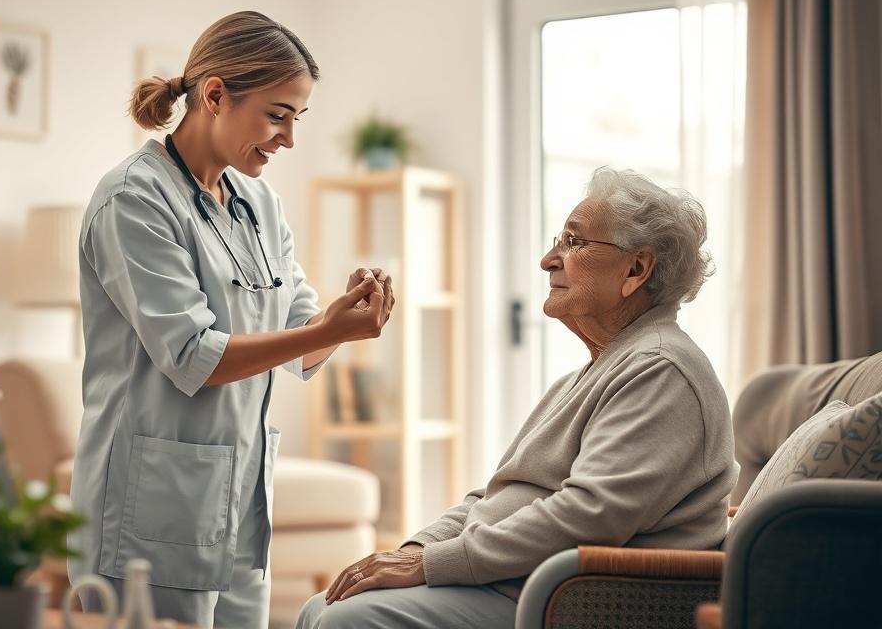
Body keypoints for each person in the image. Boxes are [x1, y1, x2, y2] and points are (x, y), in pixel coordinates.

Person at [297, 167, 738, 629]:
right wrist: (416, 549)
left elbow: (589, 515)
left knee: (348, 621)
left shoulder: (661, 371)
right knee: (322, 606)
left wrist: (432, 565)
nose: (549, 259)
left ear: (635, 269)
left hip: (570, 601)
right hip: (517, 583)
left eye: (574, 241)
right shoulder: (597, 371)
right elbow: (496, 494)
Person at [68, 11, 396, 628]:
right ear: (215, 95)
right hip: (150, 512)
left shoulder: (259, 202)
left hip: (242, 504)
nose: (288, 139)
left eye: (298, 119)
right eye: (277, 115)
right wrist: (328, 330)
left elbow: (299, 343)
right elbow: (195, 355)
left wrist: (343, 319)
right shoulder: (134, 200)